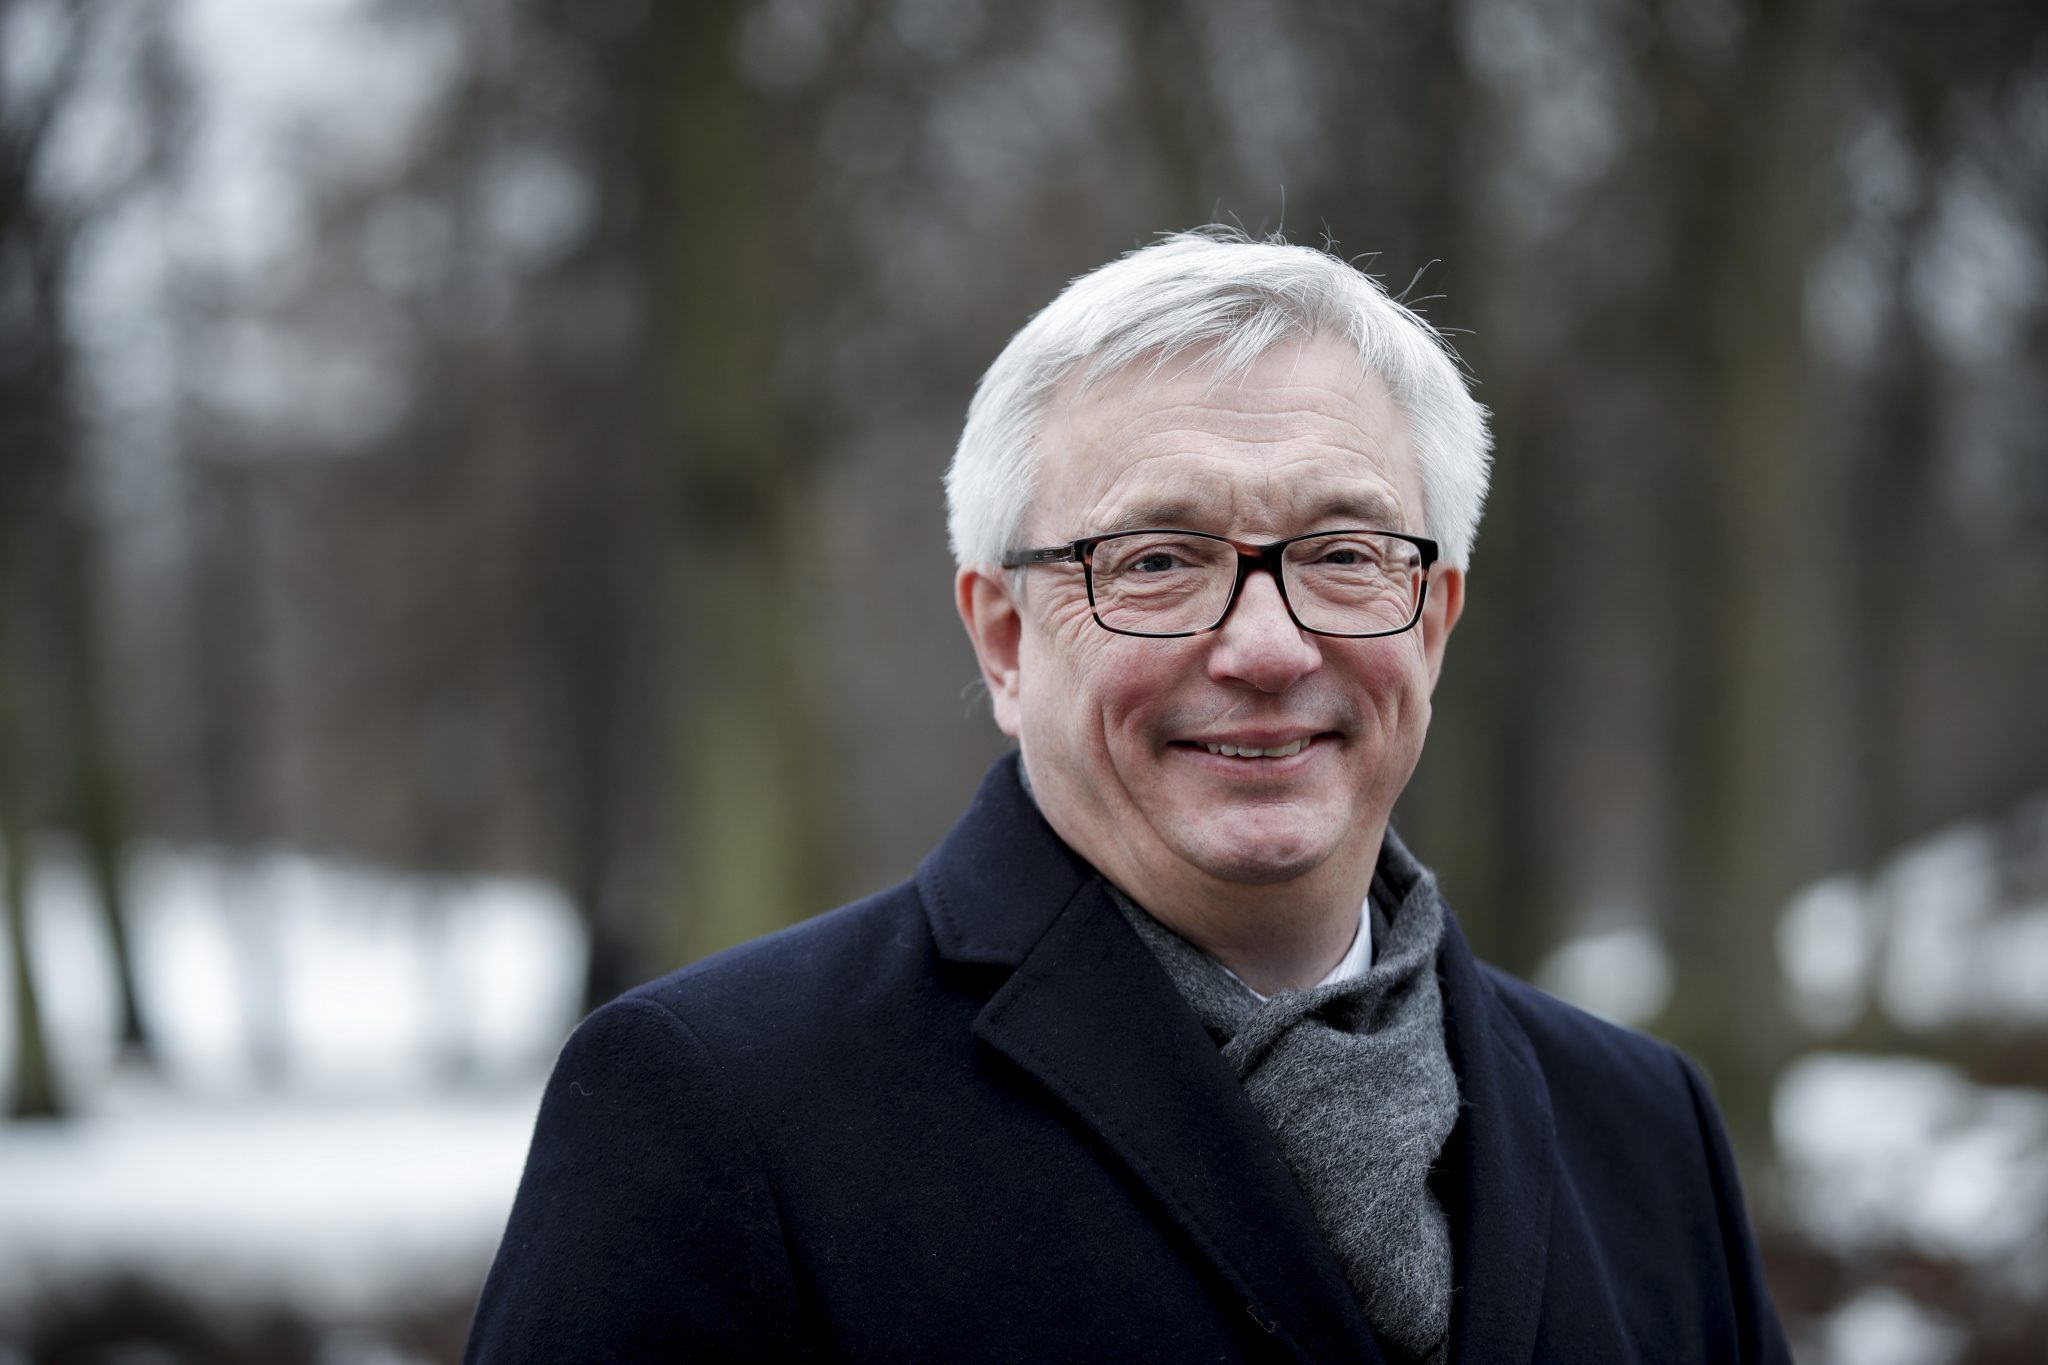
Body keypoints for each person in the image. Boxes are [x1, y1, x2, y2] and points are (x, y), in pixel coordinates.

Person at [464, 230, 1792, 1363]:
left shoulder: (1645, 1127)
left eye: (1343, 552)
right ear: (1003, 639)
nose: (1268, 647)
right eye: (1157, 560)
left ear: (1433, 620)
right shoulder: (717, 1114)